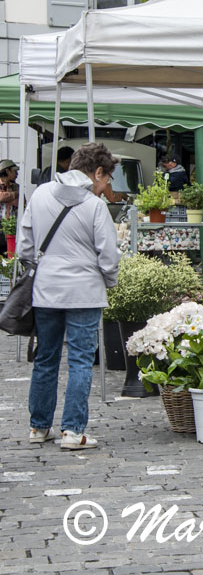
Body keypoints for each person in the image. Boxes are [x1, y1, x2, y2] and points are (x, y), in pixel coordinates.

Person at [22, 143, 121, 450]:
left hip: (47, 291)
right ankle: (72, 432)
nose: (105, 188)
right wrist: (109, 281)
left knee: (46, 360)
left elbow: (25, 247)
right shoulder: (94, 206)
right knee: (80, 362)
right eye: (106, 181)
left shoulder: (39, 195)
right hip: (85, 292)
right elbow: (108, 256)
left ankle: (39, 427)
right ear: (98, 172)